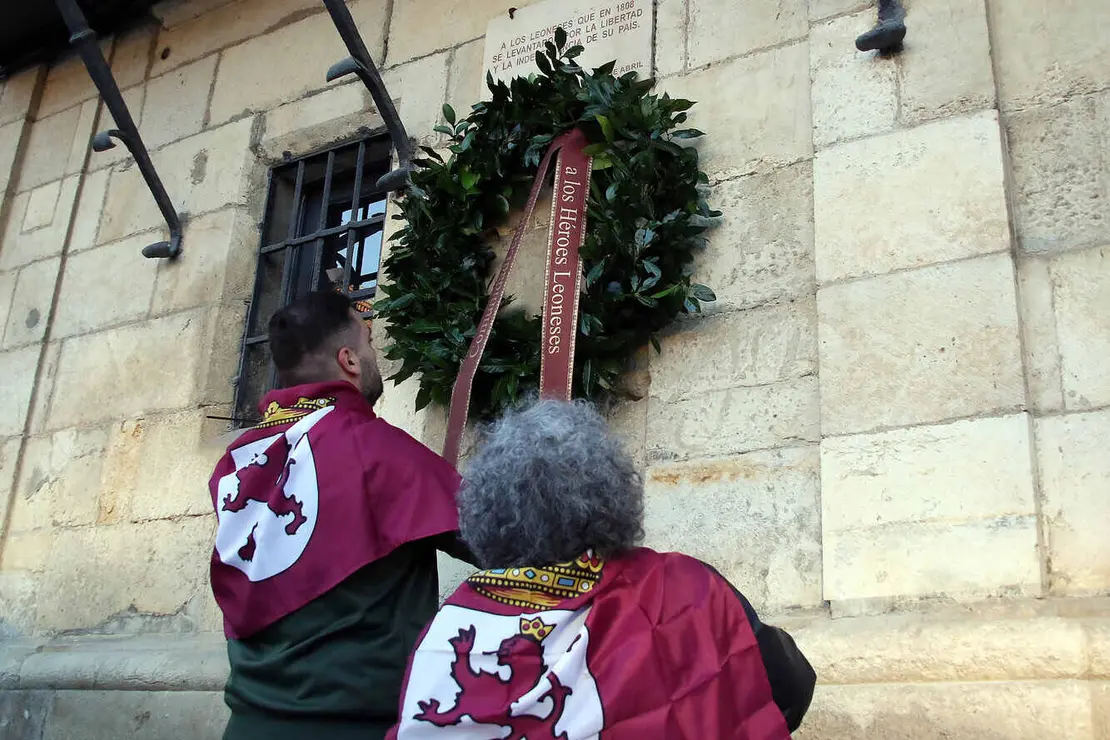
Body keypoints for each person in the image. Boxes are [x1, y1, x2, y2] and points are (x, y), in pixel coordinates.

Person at [389, 400, 816, 739]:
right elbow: (787, 686)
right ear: (612, 494)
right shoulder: (681, 588)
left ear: (484, 512)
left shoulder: (448, 631)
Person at [207, 291, 477, 740]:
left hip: (249, 724)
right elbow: (509, 538)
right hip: (355, 726)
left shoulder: (238, 460)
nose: (375, 357)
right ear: (349, 360)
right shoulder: (377, 449)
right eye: (369, 344)